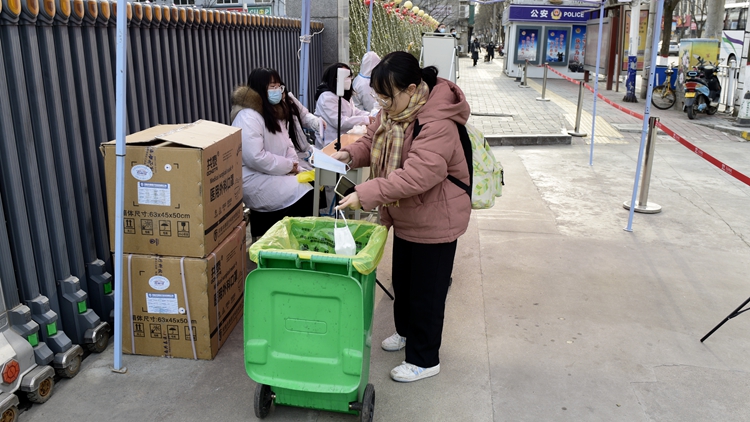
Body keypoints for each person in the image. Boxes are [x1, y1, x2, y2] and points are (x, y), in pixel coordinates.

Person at [331, 51, 471, 383]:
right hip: (408, 213)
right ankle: (406, 332)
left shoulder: (437, 121)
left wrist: (366, 192)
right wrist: (348, 155)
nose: (382, 104)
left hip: (436, 216)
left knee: (427, 292)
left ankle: (425, 359)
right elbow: (371, 140)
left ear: (410, 88)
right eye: (378, 96)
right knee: (404, 283)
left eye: (387, 97)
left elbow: (418, 175)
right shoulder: (395, 112)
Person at [230, 67, 323, 238]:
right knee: (305, 192)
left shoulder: (274, 112)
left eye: (279, 86)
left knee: (313, 184)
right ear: (259, 88)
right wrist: (289, 166)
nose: (277, 90)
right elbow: (255, 157)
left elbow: (288, 144)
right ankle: (292, 239)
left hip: (276, 173)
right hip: (255, 179)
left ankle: (298, 238)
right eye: (272, 86)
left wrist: (293, 165)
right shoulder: (248, 116)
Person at [314, 63, 373, 149]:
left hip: (345, 139)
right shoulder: (327, 97)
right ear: (335, 78)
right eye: (346, 76)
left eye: (349, 76)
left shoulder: (345, 95)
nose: (349, 79)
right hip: (331, 143)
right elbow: (340, 122)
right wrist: (366, 119)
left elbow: (354, 111)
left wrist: (371, 115)